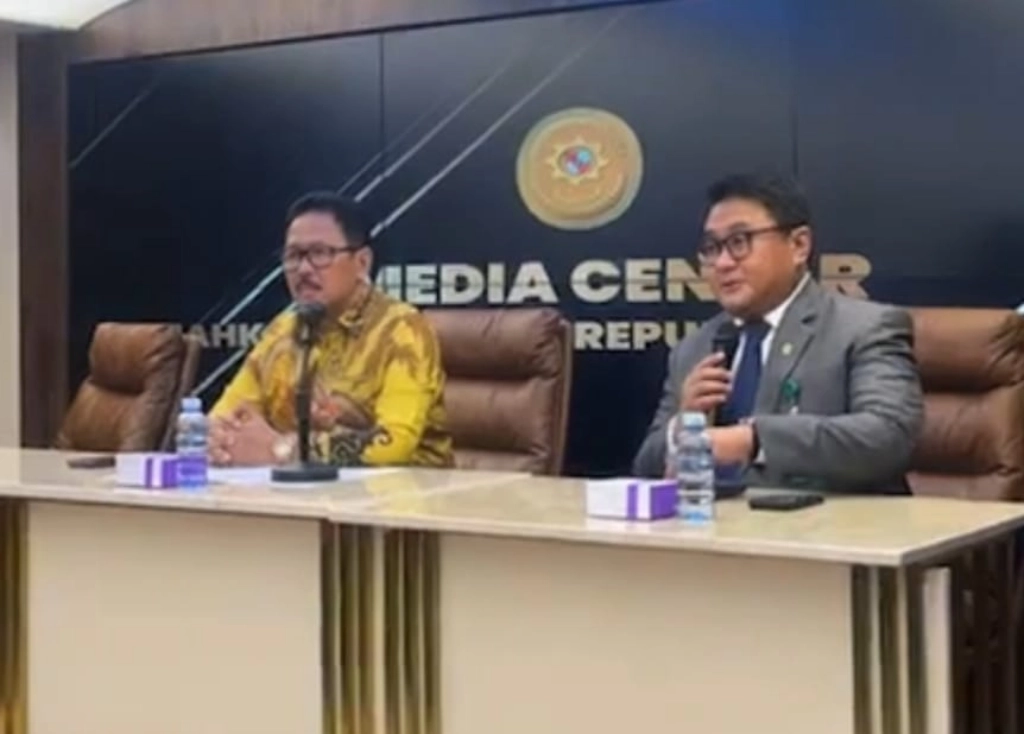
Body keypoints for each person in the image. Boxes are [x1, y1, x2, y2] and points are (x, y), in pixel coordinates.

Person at [632, 173, 923, 493]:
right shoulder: (697, 346)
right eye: (712, 247)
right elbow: (645, 468)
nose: (723, 263)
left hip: (835, 521)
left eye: (739, 242)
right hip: (714, 522)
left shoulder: (864, 328)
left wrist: (754, 441)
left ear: (799, 245)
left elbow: (888, 437)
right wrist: (681, 425)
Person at [208, 192, 453, 468]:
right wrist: (219, 441)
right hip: (297, 491)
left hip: (408, 491)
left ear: (362, 262)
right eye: (293, 255)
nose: (303, 269)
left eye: (319, 253)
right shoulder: (283, 330)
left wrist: (282, 449)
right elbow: (224, 417)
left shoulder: (402, 329)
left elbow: (392, 444)